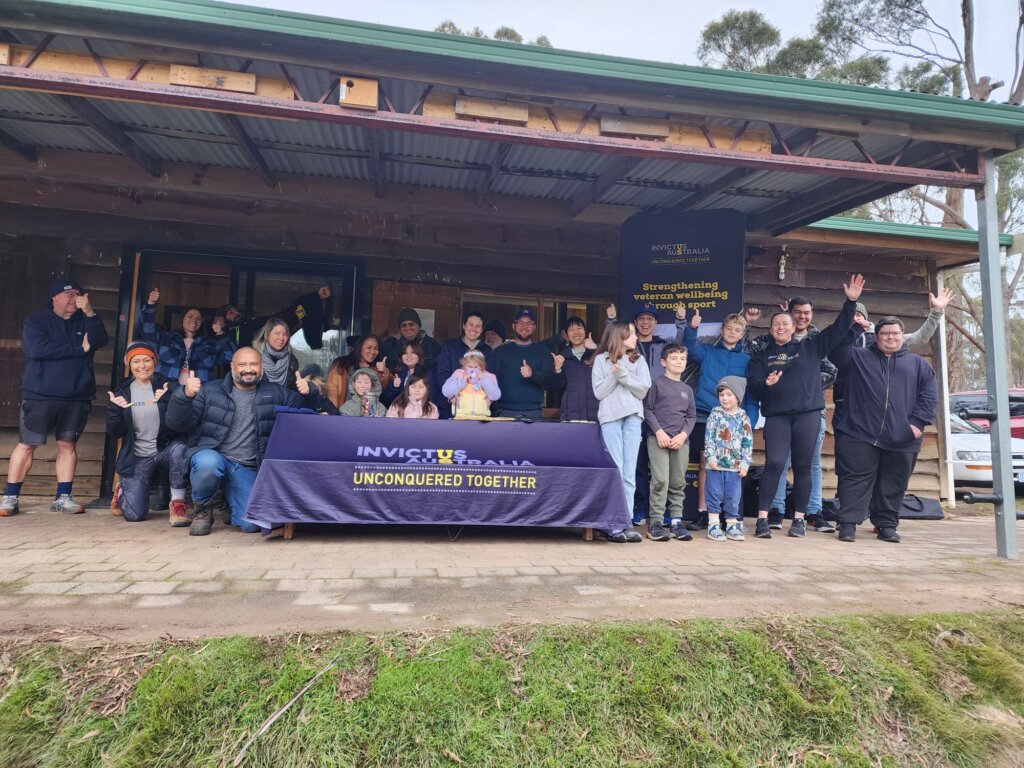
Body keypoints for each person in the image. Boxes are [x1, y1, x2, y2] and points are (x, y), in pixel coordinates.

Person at [747, 275, 863, 540]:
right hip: (777, 416)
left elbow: (839, 328)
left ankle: (799, 519)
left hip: (807, 415)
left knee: (802, 465)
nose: (781, 327)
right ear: (771, 327)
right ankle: (764, 519)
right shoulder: (762, 355)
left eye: (785, 324)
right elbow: (753, 386)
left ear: (793, 327)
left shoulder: (811, 345)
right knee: (774, 463)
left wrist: (851, 301)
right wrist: (765, 383)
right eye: (776, 324)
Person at [165, 347, 321, 535]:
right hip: (215, 456)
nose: (249, 369)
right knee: (207, 463)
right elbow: (176, 424)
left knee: (252, 526)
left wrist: (309, 392)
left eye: (254, 364)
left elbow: (307, 413)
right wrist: (185, 395)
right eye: (242, 364)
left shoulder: (275, 392)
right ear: (232, 366)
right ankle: (202, 509)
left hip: (247, 468)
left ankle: (226, 500)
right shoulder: (209, 391)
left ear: (261, 367)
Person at [2, 277, 109, 517]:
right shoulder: (37, 321)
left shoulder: (85, 320)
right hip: (40, 394)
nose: (74, 298)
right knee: (27, 444)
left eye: (77, 294)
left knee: (67, 445)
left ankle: (63, 497)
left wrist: (90, 312)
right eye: (68, 294)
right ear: (55, 298)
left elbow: (101, 340)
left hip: (77, 395)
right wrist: (78, 350)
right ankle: (10, 498)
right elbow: (37, 349)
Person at [830, 316, 937, 543]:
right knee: (854, 480)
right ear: (876, 336)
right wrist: (856, 328)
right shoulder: (858, 357)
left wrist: (917, 424)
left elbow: (929, 396)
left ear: (902, 335)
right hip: (859, 432)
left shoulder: (918, 364)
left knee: (894, 482)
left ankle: (887, 525)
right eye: (885, 333)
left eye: (895, 333)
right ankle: (848, 524)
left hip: (903, 436)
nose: (890, 337)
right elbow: (835, 351)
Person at [606, 301, 686, 524]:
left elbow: (679, 349)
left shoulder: (662, 345)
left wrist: (681, 322)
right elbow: (612, 346)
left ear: (656, 322)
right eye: (641, 319)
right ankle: (639, 507)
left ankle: (664, 511)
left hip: (661, 409)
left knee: (665, 465)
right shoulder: (629, 350)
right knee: (638, 462)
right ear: (634, 323)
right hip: (636, 408)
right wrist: (611, 322)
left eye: (650, 318)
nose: (645, 322)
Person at [681, 308, 759, 530]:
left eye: (737, 329)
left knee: (734, 468)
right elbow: (691, 351)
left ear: (742, 333)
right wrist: (692, 328)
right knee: (707, 464)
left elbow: (751, 394)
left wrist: (749, 423)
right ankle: (705, 513)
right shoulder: (708, 352)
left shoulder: (747, 360)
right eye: (729, 328)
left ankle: (731, 515)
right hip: (706, 414)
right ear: (722, 330)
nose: (732, 332)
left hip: (734, 421)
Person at [832, 288, 953, 420]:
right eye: (851, 315)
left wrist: (936, 312)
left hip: (875, 404)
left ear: (865, 318)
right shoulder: (837, 339)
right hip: (844, 401)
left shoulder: (884, 338)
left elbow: (921, 337)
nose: (855, 319)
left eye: (859, 315)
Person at [106, 342, 189, 525]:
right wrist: (115, 411)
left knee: (180, 449)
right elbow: (115, 432)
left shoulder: (168, 386)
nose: (142, 366)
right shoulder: (122, 391)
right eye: (136, 361)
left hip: (163, 450)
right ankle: (122, 490)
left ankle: (177, 503)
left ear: (155, 362)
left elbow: (180, 424)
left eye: (147, 360)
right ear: (129, 364)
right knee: (134, 515)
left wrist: (168, 401)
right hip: (137, 456)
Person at [592, 320, 651, 543]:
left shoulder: (638, 359)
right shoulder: (600, 360)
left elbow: (643, 389)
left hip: (633, 418)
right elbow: (599, 392)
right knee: (615, 469)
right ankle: (612, 524)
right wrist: (614, 375)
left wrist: (623, 374)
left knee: (629, 472)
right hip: (610, 418)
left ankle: (624, 522)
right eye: (631, 333)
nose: (635, 337)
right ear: (619, 336)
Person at [642, 343, 696, 542]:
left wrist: (682, 436)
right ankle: (655, 523)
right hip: (658, 440)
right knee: (660, 480)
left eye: (682, 358)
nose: (679, 362)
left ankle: (675, 522)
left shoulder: (687, 390)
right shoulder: (656, 384)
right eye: (674, 358)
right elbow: (648, 410)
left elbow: (691, 416)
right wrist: (659, 432)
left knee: (677, 482)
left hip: (681, 442)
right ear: (663, 362)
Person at [138, 288, 237, 384]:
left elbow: (230, 357)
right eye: (190, 316)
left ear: (201, 323)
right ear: (182, 319)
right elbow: (147, 329)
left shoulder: (210, 343)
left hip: (199, 394)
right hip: (165, 392)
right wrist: (151, 304)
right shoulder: (166, 338)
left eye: (198, 319)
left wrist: (220, 335)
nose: (194, 320)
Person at [703, 376, 754, 543]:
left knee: (733, 496)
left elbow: (747, 441)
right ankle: (713, 524)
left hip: (735, 466)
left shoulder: (743, 417)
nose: (725, 398)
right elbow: (709, 437)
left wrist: (745, 462)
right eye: (722, 395)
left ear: (738, 397)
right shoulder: (715, 415)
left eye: (729, 395)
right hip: (716, 465)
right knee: (714, 494)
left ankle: (732, 524)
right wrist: (710, 456)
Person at [216, 286, 331, 349]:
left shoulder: (253, 324)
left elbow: (288, 316)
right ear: (223, 320)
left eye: (235, 311)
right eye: (230, 313)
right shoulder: (226, 337)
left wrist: (316, 297)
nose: (236, 313)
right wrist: (220, 331)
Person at [492, 308, 556, 419]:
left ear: (534, 327)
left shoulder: (543, 351)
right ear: (513, 326)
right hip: (505, 411)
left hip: (533, 412)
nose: (524, 327)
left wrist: (533, 374)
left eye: (529, 323)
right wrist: (495, 410)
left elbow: (549, 380)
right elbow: (492, 381)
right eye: (520, 323)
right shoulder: (500, 352)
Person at [436, 311, 493, 419]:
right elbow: (442, 374)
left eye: (478, 326)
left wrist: (489, 398)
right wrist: (451, 396)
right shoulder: (450, 346)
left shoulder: (486, 350)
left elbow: (490, 377)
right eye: (471, 325)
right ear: (464, 325)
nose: (474, 329)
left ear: (481, 330)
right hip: (450, 406)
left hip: (477, 408)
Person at [551, 317, 599, 422]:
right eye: (571, 330)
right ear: (566, 335)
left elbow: (609, 371)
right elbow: (558, 388)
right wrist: (558, 369)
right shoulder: (563, 357)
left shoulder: (596, 354)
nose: (576, 332)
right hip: (571, 414)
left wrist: (595, 349)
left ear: (585, 331)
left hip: (595, 413)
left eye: (579, 328)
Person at [326, 334, 384, 408]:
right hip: (343, 415)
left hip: (368, 415)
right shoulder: (341, 365)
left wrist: (384, 372)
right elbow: (332, 393)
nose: (373, 351)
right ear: (359, 348)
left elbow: (382, 393)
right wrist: (334, 415)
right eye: (369, 347)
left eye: (376, 348)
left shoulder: (376, 368)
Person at [442, 349, 501, 419]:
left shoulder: (489, 376)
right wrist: (462, 381)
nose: (473, 369)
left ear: (482, 366)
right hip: (461, 416)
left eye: (476, 367)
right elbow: (446, 392)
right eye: (469, 367)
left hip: (482, 417)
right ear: (464, 365)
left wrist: (483, 380)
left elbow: (496, 396)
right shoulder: (458, 374)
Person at [379, 308, 441, 372]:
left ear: (419, 326)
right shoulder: (392, 346)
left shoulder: (432, 345)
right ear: (400, 328)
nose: (408, 328)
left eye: (411, 324)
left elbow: (438, 371)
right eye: (404, 325)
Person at [252, 317, 300, 389]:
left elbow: (293, 390)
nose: (281, 338)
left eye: (285, 334)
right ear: (267, 335)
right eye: (277, 333)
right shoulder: (253, 357)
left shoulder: (292, 361)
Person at [380, 342, 426, 407]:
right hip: (401, 413)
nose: (408, 355)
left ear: (419, 356)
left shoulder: (427, 374)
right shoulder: (399, 374)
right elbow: (385, 401)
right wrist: (394, 387)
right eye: (405, 353)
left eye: (412, 353)